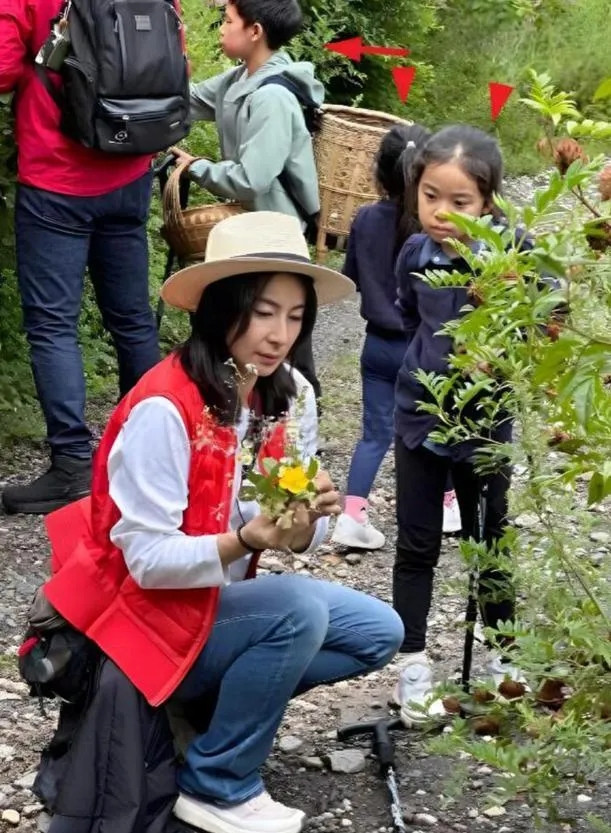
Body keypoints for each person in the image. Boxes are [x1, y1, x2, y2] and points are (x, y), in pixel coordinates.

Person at [40, 211, 405, 833]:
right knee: (298, 610)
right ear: (218, 308)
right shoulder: (164, 406)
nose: (279, 334)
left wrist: (303, 523)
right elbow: (146, 563)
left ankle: (210, 710)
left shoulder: (289, 394)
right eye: (262, 311)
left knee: (378, 631)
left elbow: (295, 534)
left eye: (295, 316)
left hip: (218, 606)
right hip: (139, 618)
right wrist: (243, 540)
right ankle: (218, 781)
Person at [0, 0, 161, 516]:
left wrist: (35, 66)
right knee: (133, 319)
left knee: (53, 326)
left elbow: (2, 67)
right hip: (132, 163)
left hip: (57, 179)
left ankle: (72, 464)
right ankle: (155, 451)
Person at [391, 126, 523, 726]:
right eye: (430, 196)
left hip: (486, 419)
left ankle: (504, 662)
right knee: (417, 544)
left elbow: (544, 325)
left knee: (490, 542)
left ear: (489, 200)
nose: (442, 213)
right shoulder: (414, 255)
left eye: (460, 202)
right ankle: (413, 670)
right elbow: (407, 314)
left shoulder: (513, 255)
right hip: (420, 412)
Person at [171, 0, 323, 401]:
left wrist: (197, 168)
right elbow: (183, 100)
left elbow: (252, 179)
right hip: (250, 236)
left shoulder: (273, 97)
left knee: (284, 347)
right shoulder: (238, 80)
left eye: (227, 21)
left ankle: (296, 444)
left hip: (278, 239)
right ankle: (235, 427)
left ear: (254, 31)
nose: (221, 28)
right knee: (238, 338)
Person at [331, 123, 462, 552]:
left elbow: (350, 279)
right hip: (423, 348)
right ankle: (446, 506)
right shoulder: (434, 233)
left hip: (377, 346)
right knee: (437, 426)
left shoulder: (366, 218)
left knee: (374, 433)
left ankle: (352, 516)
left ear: (379, 175)